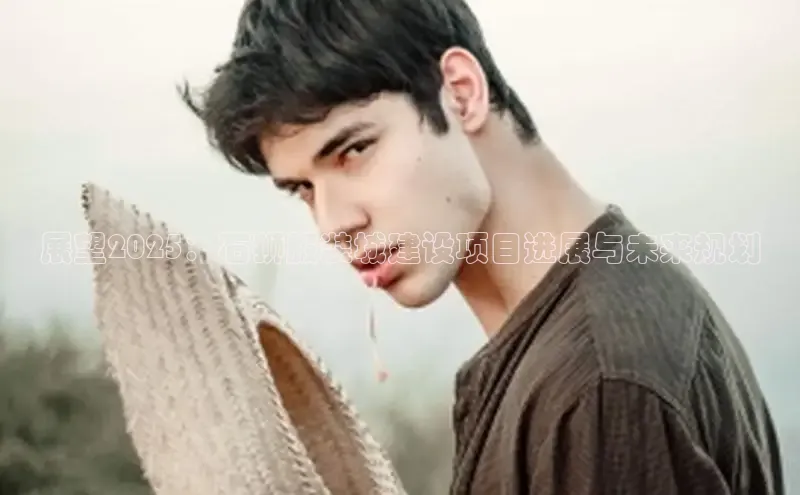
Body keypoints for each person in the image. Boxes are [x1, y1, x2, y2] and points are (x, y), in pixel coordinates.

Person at [179, 0, 785, 493]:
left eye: (354, 150)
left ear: (461, 93)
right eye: (304, 189)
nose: (334, 223)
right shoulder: (581, 333)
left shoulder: (599, 384)